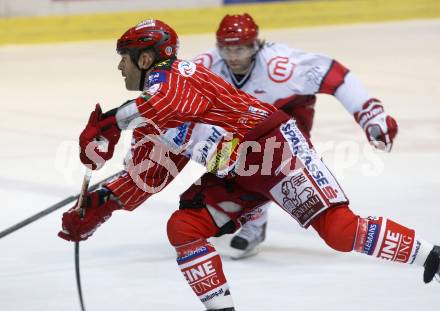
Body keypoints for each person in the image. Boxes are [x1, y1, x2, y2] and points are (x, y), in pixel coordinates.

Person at [58, 19, 439, 311]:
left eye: (123, 59)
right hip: (239, 174)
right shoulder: (150, 115)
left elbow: (172, 102)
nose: (119, 68)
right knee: (184, 227)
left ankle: (432, 256)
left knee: (340, 232)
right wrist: (98, 206)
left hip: (277, 154)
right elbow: (149, 176)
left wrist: (113, 120)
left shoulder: (178, 78)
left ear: (144, 58)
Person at [193, 13, 399, 258]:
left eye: (242, 49)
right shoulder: (206, 65)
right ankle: (254, 221)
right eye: (227, 50)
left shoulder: (281, 66)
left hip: (287, 114)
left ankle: (260, 222)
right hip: (242, 122)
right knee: (224, 165)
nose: (234, 58)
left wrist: (369, 113)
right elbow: (173, 91)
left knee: (271, 166)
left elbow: (336, 75)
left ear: (255, 45)